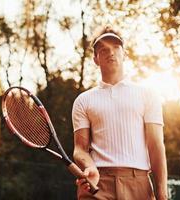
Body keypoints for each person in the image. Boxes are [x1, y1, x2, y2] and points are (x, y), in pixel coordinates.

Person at [72, 26, 168, 200]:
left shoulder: (149, 94)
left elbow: (156, 146)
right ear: (95, 59)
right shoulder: (83, 101)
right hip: (97, 184)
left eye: (116, 48)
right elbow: (80, 149)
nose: (111, 53)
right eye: (104, 50)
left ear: (125, 54)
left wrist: (162, 194)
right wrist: (90, 167)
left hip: (139, 184)